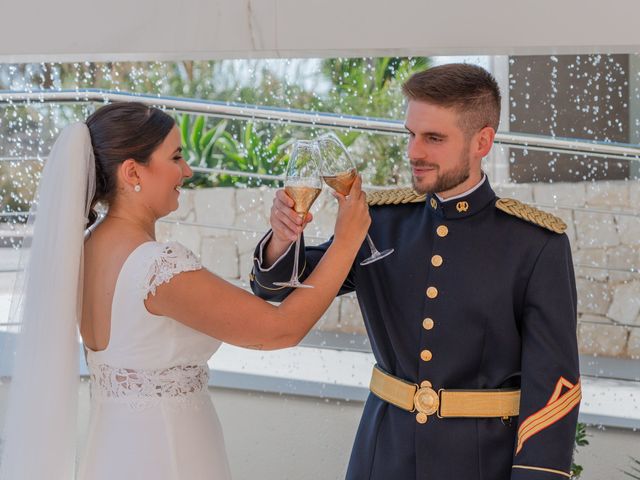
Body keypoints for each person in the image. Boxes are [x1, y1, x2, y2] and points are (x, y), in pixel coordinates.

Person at [0, 102, 371, 480]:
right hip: (166, 456)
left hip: (113, 451)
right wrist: (346, 241)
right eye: (176, 156)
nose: (188, 170)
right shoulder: (156, 268)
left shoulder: (82, 249)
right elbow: (279, 329)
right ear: (132, 172)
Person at [251, 63, 581, 479]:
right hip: (381, 457)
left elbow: (555, 390)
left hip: (482, 464)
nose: (414, 152)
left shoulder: (537, 245)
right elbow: (281, 288)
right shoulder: (381, 222)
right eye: (411, 134)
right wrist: (284, 238)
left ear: (483, 141)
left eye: (434, 138)